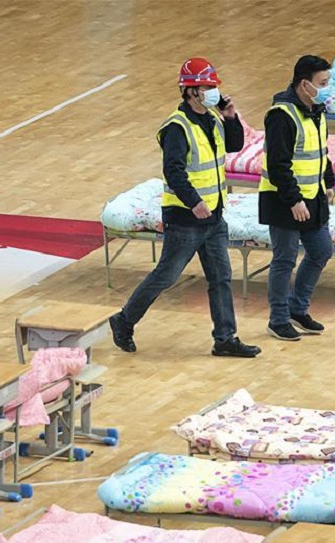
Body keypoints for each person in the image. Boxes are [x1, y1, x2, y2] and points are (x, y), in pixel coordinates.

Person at [108, 57, 260, 358]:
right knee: (166, 275)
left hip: (214, 215)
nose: (214, 91)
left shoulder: (212, 118)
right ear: (191, 90)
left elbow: (232, 146)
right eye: (208, 86)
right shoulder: (176, 127)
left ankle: (225, 338)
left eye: (214, 86)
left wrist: (231, 117)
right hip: (186, 217)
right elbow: (173, 171)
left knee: (221, 277)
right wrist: (195, 202)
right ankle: (123, 320)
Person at [258, 55, 335, 342]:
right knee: (284, 259)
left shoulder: (317, 110)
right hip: (284, 200)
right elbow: (278, 165)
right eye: (323, 83)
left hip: (313, 196)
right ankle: (278, 319)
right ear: (305, 84)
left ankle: (297, 308)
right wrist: (293, 200)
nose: (328, 88)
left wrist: (328, 180)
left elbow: (321, 150)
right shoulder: (281, 116)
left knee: (321, 250)